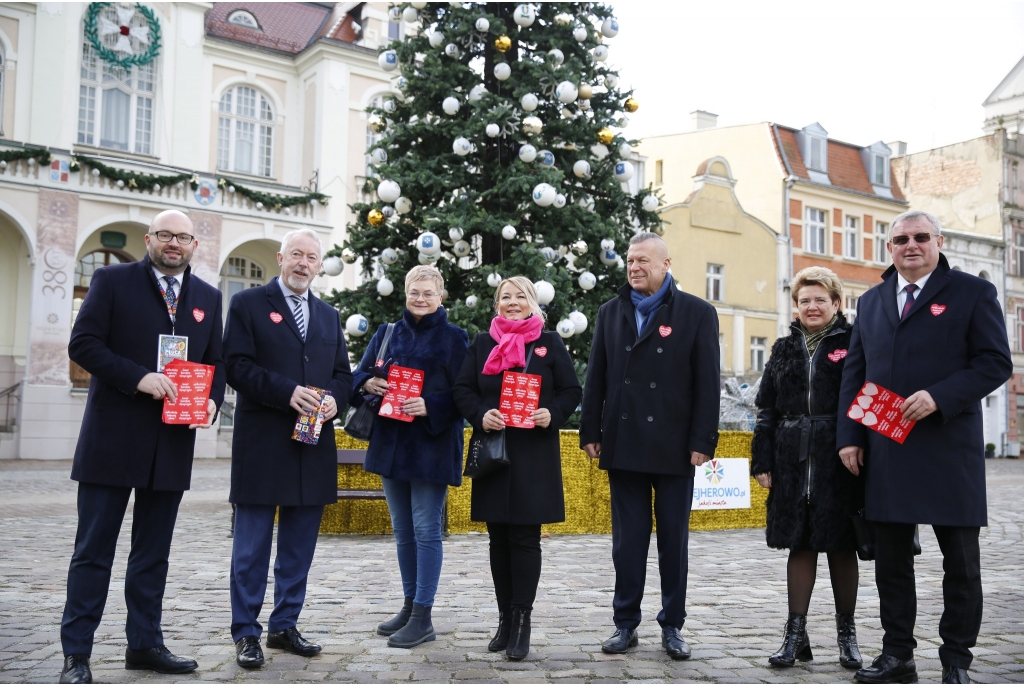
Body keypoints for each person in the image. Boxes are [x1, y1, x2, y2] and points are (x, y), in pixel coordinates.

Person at [837, 210, 1012, 685]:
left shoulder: (972, 293)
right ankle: (898, 656)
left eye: (919, 237)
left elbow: (996, 362)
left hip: (948, 450)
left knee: (961, 564)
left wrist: (941, 396)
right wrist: (850, 437)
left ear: (939, 240)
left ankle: (956, 659)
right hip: (887, 451)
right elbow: (856, 373)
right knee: (891, 563)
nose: (909, 245)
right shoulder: (871, 301)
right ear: (888, 247)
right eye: (900, 239)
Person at [59, 210, 225, 684]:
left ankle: (145, 644)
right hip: (111, 439)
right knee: (93, 551)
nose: (174, 243)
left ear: (194, 244)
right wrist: (139, 378)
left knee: (153, 554)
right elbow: (83, 343)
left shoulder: (209, 299)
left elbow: (216, 360)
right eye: (166, 235)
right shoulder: (112, 281)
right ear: (150, 239)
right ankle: (77, 654)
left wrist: (212, 401)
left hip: (171, 443)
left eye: (183, 237)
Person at [580, 232, 720, 660]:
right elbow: (597, 376)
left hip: (676, 446)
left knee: (673, 541)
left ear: (666, 264)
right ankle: (625, 624)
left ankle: (673, 625)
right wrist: (590, 431)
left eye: (642, 260)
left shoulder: (697, 312)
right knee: (628, 542)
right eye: (629, 260)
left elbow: (708, 383)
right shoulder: (611, 311)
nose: (634, 267)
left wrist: (702, 440)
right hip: (624, 444)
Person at [222, 228, 352, 669]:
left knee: (299, 548)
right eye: (296, 254)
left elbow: (343, 375)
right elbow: (235, 366)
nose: (303, 263)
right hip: (262, 446)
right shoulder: (248, 304)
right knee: (251, 549)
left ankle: (284, 624)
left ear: (319, 265)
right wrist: (287, 391)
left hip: (312, 448)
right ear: (281, 258)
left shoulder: (330, 315)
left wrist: (336, 397)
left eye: (311, 257)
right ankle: (246, 632)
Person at [453, 277, 582, 661]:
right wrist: (481, 414)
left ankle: (523, 622)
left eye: (520, 296)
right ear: (497, 303)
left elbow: (571, 391)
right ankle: (505, 620)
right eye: (505, 297)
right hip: (495, 453)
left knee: (525, 539)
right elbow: (463, 390)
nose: (512, 302)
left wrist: (552, 413)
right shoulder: (482, 344)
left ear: (532, 302)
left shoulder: (550, 343)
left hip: (534, 456)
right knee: (497, 540)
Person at [751, 266, 863, 669]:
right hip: (790, 460)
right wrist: (762, 459)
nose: (812, 306)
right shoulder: (782, 349)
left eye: (820, 299)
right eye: (804, 301)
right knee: (799, 544)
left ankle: (847, 636)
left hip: (841, 459)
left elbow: (865, 400)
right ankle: (794, 636)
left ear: (836, 303)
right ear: (795, 307)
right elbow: (766, 409)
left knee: (840, 545)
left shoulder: (854, 343)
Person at [352, 265, 469, 649]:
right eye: (414, 292)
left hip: (431, 448)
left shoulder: (455, 339)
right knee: (403, 532)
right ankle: (408, 605)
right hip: (390, 445)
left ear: (441, 296)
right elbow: (357, 377)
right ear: (405, 292)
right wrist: (368, 381)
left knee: (426, 529)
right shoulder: (387, 333)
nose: (421, 299)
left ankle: (423, 616)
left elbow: (466, 395)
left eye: (428, 293)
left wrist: (429, 405)